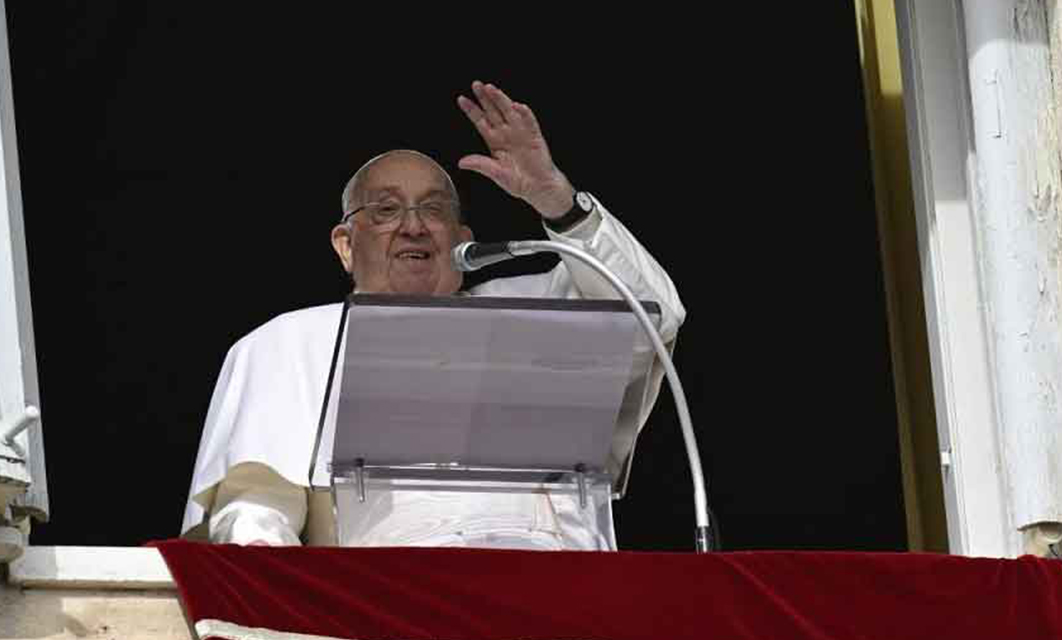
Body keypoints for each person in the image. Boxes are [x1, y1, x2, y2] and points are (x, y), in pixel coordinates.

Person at [181, 81, 685, 550]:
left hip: (558, 578)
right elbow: (255, 509)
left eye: (434, 210)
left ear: (463, 241)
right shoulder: (291, 341)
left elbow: (653, 317)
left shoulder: (534, 310)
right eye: (385, 210)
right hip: (397, 586)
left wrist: (556, 201)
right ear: (345, 246)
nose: (413, 227)